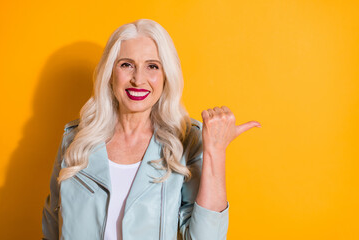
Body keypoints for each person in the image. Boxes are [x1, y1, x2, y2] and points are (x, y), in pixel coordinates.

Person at [41, 18, 261, 240]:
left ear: (167, 76)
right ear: (110, 72)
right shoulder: (75, 140)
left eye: (152, 66)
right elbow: (51, 226)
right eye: (126, 64)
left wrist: (215, 152)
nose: (138, 79)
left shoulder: (186, 142)